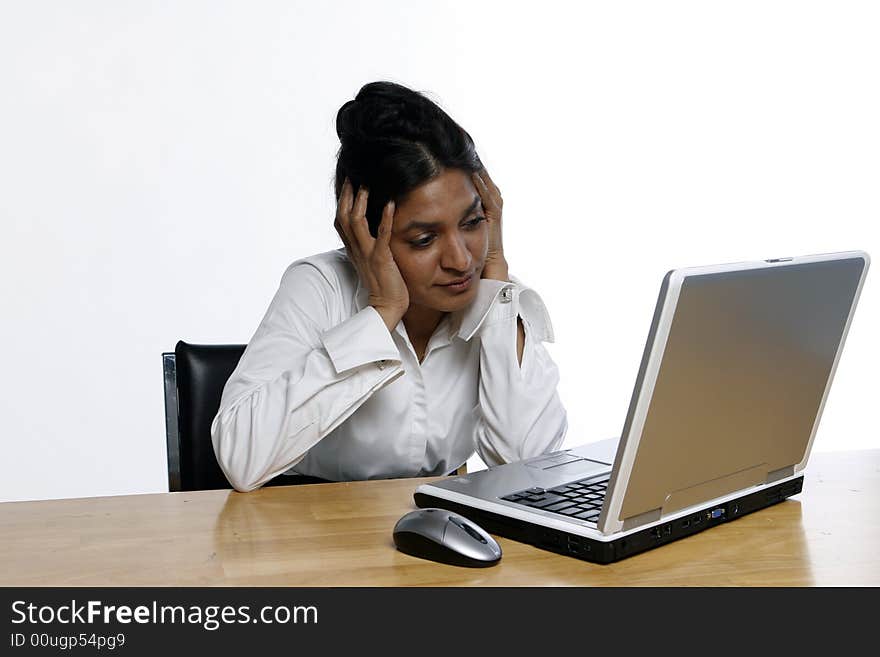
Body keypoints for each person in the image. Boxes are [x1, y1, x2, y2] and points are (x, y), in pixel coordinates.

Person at [211, 81, 567, 492]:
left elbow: (533, 471)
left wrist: (498, 282)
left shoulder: (489, 294)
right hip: (312, 530)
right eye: (423, 240)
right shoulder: (320, 287)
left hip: (441, 527)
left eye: (472, 223)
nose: (460, 260)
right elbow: (239, 458)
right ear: (362, 233)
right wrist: (380, 315)